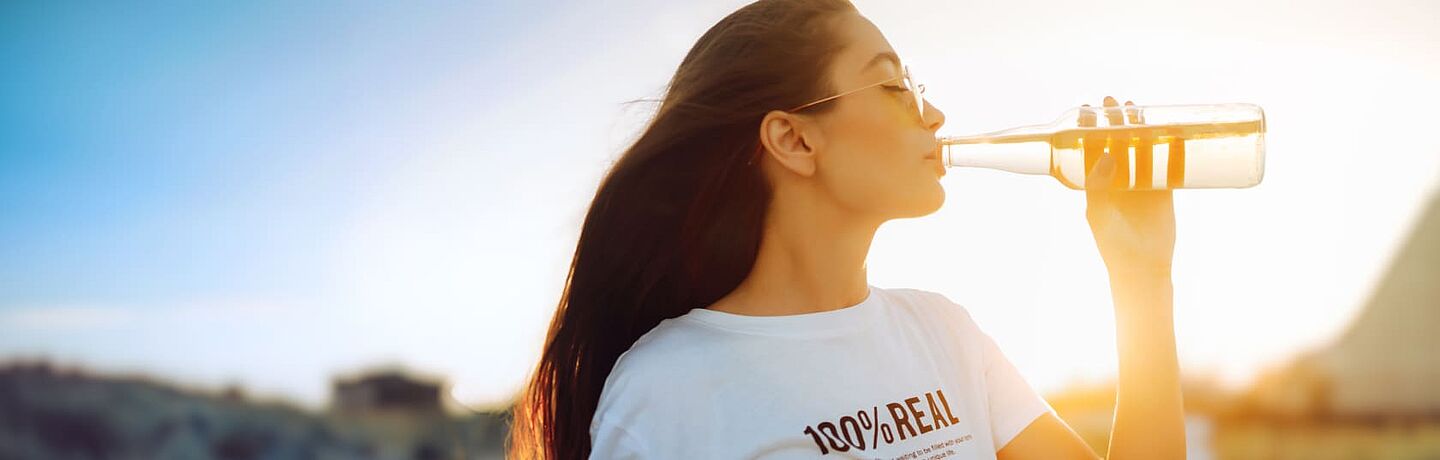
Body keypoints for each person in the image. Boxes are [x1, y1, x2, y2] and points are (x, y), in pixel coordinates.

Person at [507, 0, 1184, 458]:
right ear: (794, 141)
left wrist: (1141, 276)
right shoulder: (670, 388)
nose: (936, 114)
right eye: (894, 87)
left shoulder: (945, 333)